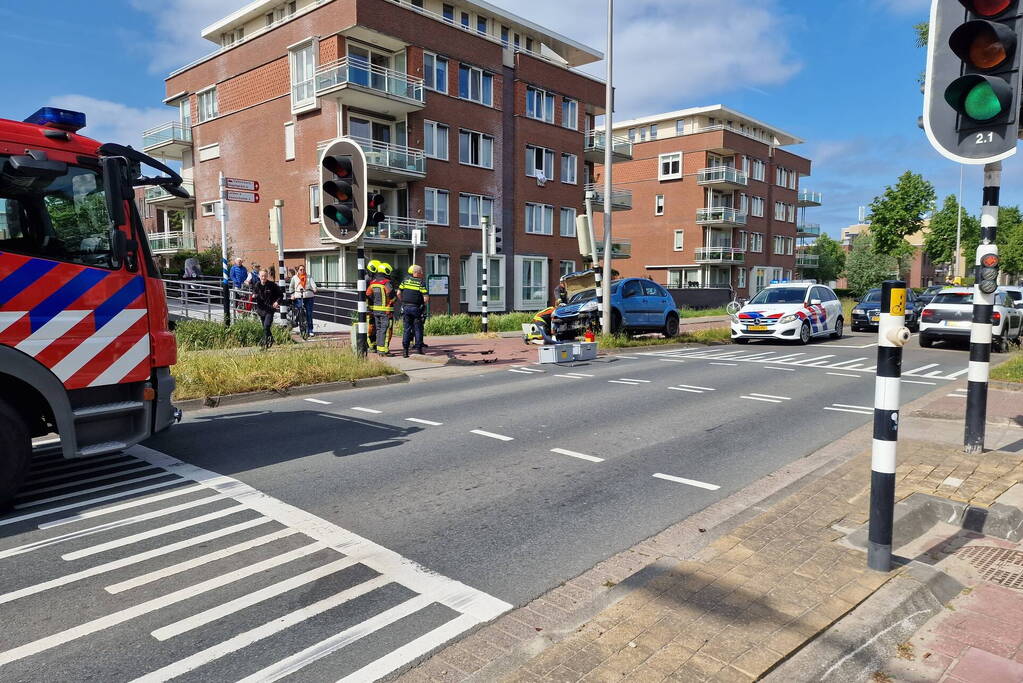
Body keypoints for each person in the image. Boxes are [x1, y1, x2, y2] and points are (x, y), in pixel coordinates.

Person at [399, 265, 429, 357]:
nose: (422, 274)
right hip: (416, 308)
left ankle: (405, 351)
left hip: (406, 308)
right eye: (421, 272)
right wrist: (423, 306)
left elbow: (398, 293)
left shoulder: (405, 280)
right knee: (418, 328)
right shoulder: (420, 283)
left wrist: (403, 302)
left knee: (406, 329)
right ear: (415, 273)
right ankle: (419, 349)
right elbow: (426, 297)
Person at [367, 262, 395, 355]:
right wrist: (393, 300)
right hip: (386, 311)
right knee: (386, 330)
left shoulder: (373, 282)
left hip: (376, 310)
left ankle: (379, 349)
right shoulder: (386, 283)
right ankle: (384, 350)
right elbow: (391, 295)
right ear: (386, 271)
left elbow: (368, 294)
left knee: (378, 329)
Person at [250, 269, 283, 349]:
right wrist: (254, 296)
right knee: (265, 328)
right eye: (262, 276)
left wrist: (277, 302)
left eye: (265, 276)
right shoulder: (257, 285)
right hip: (261, 309)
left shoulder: (272, 285)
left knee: (266, 325)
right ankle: (270, 339)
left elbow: (281, 295)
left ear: (267, 276)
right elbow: (253, 293)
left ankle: (264, 344)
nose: (263, 277)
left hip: (270, 309)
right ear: (259, 276)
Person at [289, 264, 318, 338]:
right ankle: (299, 324)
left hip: (309, 296)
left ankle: (310, 330)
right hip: (298, 296)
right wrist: (292, 295)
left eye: (303, 269)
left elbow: (313, 284)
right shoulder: (294, 278)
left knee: (309, 313)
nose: (302, 271)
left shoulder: (309, 277)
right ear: (298, 271)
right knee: (300, 311)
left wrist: (315, 288)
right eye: (300, 270)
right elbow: (291, 287)